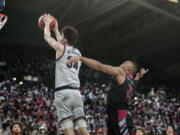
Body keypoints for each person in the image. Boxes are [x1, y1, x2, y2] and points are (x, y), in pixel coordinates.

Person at [67, 56, 148, 135]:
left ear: (129, 69)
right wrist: (139, 76)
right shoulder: (131, 82)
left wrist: (81, 58)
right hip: (115, 116)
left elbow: (100, 66)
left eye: (125, 63)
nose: (122, 63)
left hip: (120, 117)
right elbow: (135, 82)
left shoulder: (121, 72)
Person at [41, 14, 89, 135]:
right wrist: (56, 29)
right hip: (76, 93)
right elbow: (63, 42)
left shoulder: (60, 49)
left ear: (65, 39)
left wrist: (47, 24)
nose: (60, 37)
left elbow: (47, 37)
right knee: (83, 128)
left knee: (68, 128)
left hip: (63, 93)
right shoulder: (78, 53)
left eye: (61, 36)